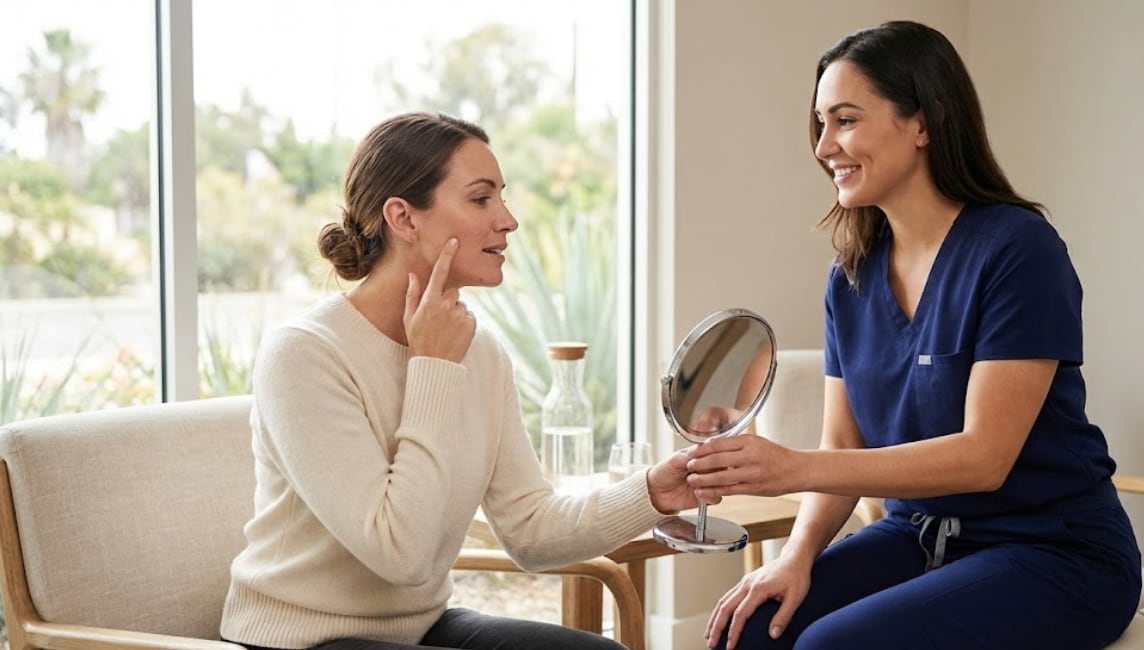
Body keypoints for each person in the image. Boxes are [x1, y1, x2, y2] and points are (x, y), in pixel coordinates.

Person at [688, 20, 1142, 650]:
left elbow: (985, 458)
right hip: (919, 537)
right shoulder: (849, 275)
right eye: (820, 124)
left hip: (1054, 551)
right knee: (749, 633)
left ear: (924, 121)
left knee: (831, 645)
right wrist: (793, 556)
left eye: (845, 120)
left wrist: (791, 468)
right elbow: (842, 442)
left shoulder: (1018, 250)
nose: (823, 147)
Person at [219, 111, 698, 650]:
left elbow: (530, 529)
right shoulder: (305, 355)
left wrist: (652, 492)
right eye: (480, 199)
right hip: (300, 641)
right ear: (403, 217)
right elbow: (402, 554)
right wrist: (434, 367)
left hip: (418, 631)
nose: (509, 219)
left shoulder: (482, 353)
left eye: (502, 197)